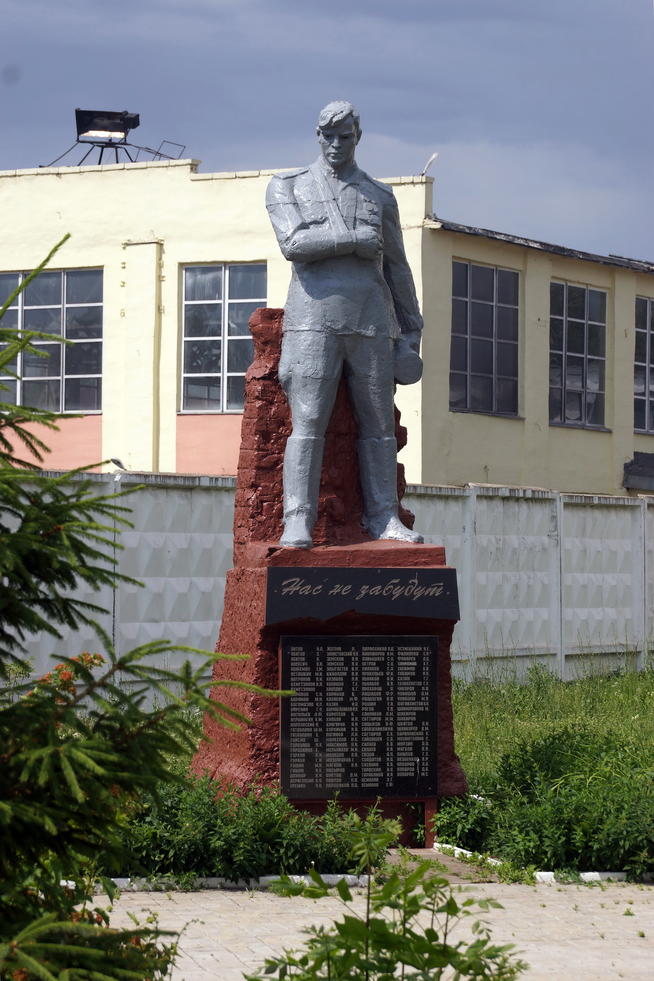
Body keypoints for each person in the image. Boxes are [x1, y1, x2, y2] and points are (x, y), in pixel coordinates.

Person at [266, 100, 424, 548]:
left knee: (378, 424)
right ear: (317, 137)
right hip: (313, 320)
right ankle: (297, 518)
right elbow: (293, 244)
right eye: (328, 136)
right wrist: (352, 240)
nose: (336, 145)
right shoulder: (288, 186)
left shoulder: (380, 195)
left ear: (358, 137)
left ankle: (384, 517)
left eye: (345, 137)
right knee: (308, 420)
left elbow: (397, 266)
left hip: (371, 321)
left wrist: (412, 329)